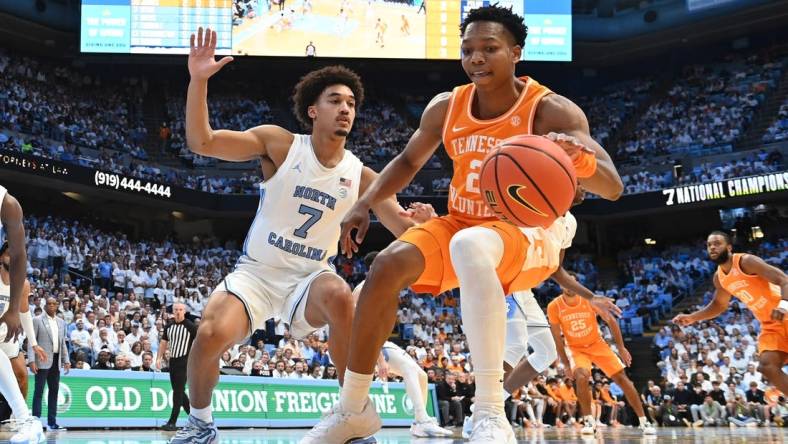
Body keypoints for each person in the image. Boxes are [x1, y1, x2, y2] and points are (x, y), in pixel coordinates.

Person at [311, 3, 624, 442]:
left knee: (472, 245)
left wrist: (581, 159)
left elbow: (613, 187)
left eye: (489, 48)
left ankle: (489, 411)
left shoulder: (551, 109)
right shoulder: (447, 106)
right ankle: (353, 408)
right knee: (386, 266)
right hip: (462, 221)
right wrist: (364, 203)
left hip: (527, 230)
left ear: (516, 52)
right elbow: (406, 161)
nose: (476, 58)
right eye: (468, 50)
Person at [171, 27, 422, 443]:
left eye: (351, 103)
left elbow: (402, 228)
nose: (346, 109)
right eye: (335, 101)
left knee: (340, 295)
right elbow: (203, 142)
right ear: (312, 111)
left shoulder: (362, 177)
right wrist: (198, 80)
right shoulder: (281, 145)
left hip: (309, 277)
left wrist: (426, 223)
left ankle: (353, 415)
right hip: (257, 273)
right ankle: (200, 422)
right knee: (210, 333)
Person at [673, 231, 788, 397]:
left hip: (785, 312)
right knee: (767, 365)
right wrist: (692, 317)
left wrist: (784, 305)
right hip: (770, 324)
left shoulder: (746, 261)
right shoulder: (719, 278)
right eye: (709, 245)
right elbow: (718, 305)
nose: (712, 247)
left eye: (717, 243)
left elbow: (783, 280)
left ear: (729, 247)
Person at [356, 251, 451, 437]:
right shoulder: (363, 291)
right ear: (373, 267)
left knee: (421, 376)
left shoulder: (380, 288)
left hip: (381, 342)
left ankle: (419, 421)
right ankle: (422, 420)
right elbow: (363, 329)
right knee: (408, 370)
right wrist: (380, 360)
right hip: (367, 346)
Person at [548, 277, 656, 435]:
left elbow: (611, 321)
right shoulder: (554, 306)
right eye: (565, 282)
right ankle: (589, 421)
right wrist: (565, 364)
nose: (569, 286)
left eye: (572, 283)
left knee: (622, 378)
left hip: (597, 343)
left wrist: (621, 347)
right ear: (560, 284)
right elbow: (557, 338)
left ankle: (644, 421)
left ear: (577, 284)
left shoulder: (589, 299)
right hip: (576, 348)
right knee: (581, 376)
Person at [0, 186, 46, 443]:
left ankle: (24, 418)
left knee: (19, 372)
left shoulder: (7, 203)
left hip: (8, 327)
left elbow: (19, 255)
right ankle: (25, 417)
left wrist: (13, 309)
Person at [29, 297, 70, 433]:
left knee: (54, 392)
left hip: (56, 361)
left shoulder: (61, 322)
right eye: (49, 304)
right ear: (45, 306)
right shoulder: (37, 320)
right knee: (38, 392)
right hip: (42, 360)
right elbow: (31, 342)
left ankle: (52, 423)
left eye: (54, 304)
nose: (52, 306)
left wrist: (67, 360)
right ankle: (35, 423)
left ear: (57, 306)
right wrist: (31, 361)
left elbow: (63, 342)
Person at [157, 303, 197, 431]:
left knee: (177, 392)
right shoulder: (169, 326)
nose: (178, 312)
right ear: (173, 311)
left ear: (184, 311)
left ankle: (172, 422)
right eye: (176, 310)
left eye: (180, 310)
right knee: (179, 391)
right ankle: (195, 420)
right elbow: (163, 343)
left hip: (185, 361)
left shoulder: (191, 326)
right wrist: (158, 358)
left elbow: (199, 344)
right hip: (173, 361)